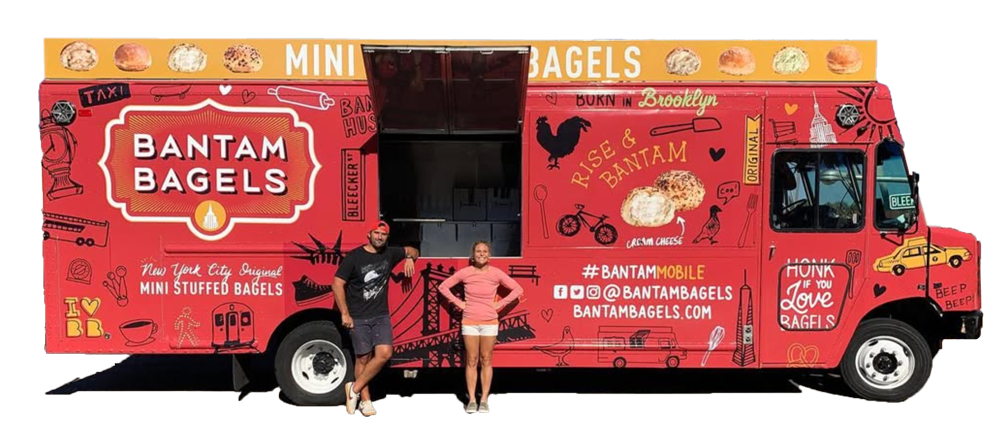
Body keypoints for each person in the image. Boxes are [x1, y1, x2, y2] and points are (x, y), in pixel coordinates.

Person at [333, 221, 419, 417]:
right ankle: (365, 402)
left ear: (387, 237)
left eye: (383, 234)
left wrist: (409, 258)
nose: (380, 237)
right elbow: (337, 284)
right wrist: (344, 313)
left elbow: (413, 250)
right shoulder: (354, 256)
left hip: (381, 315)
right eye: (376, 233)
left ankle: (353, 389)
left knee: (384, 354)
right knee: (363, 358)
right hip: (358, 316)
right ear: (369, 234)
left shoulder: (390, 253)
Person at [438, 241, 524, 415]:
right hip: (469, 321)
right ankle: (472, 399)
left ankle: (484, 399)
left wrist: (500, 304)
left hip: (489, 322)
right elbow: (443, 287)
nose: (481, 254)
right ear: (473, 255)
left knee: (486, 359)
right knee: (471, 360)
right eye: (478, 251)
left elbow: (518, 289)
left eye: (485, 251)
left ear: (489, 255)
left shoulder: (496, 273)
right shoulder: (466, 272)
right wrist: (459, 303)